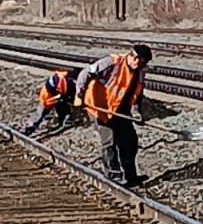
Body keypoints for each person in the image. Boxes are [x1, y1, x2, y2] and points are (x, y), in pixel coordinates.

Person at [74, 45, 153, 185]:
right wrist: (79, 95)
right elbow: (85, 73)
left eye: (144, 64)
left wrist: (137, 113)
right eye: (141, 62)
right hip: (99, 107)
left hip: (119, 110)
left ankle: (130, 176)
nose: (142, 66)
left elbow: (136, 95)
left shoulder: (139, 72)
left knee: (130, 142)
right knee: (109, 141)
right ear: (134, 58)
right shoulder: (112, 62)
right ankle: (113, 176)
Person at [22, 69, 78, 135]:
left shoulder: (61, 76)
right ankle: (29, 128)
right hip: (50, 98)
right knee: (41, 113)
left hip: (55, 95)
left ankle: (66, 120)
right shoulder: (63, 79)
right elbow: (65, 91)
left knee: (60, 105)